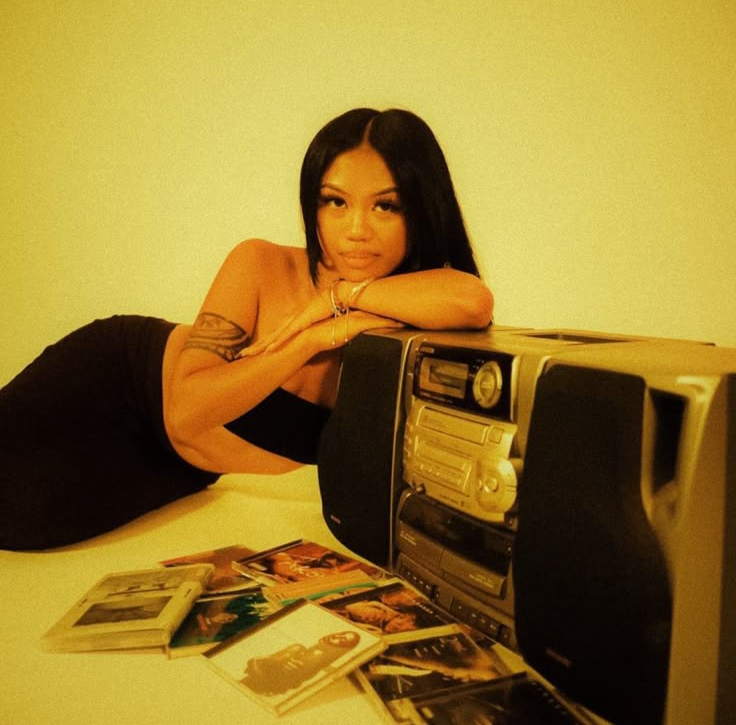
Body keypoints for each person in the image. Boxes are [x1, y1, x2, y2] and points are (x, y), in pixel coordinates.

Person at [0, 108, 493, 551]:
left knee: (25, 529)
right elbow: (188, 409)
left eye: (386, 205)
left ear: (422, 209)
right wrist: (310, 339)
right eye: (334, 202)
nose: (356, 229)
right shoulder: (260, 264)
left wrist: (339, 298)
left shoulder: (409, 312)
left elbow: (475, 300)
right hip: (113, 385)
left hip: (177, 469)